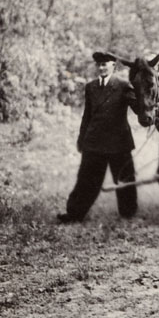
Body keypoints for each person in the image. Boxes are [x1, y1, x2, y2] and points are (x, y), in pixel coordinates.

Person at [58, 52, 138, 223]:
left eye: (105, 64)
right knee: (86, 180)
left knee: (124, 179)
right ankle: (74, 214)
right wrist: (82, 139)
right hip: (94, 142)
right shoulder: (91, 87)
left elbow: (139, 107)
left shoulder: (124, 86)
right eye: (99, 65)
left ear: (113, 66)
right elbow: (87, 116)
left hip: (119, 142)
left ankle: (128, 214)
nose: (101, 68)